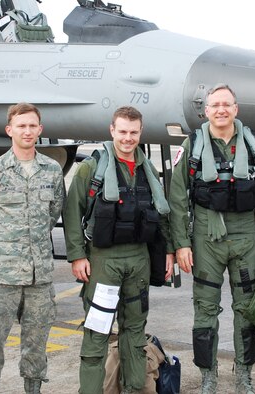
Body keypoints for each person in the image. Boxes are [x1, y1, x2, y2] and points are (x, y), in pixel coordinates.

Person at [169, 83, 255, 393]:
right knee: (205, 309)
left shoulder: (253, 143)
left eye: (227, 104)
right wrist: (181, 243)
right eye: (215, 105)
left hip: (248, 234)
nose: (221, 110)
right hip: (207, 237)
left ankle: (244, 373)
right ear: (205, 111)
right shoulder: (192, 143)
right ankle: (209, 374)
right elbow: (178, 196)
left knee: (247, 308)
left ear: (236, 109)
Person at [63, 106, 174, 394]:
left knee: (135, 335)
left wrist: (169, 252)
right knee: (97, 334)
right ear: (112, 130)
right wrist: (77, 255)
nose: (128, 138)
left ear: (140, 132)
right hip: (103, 262)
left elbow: (161, 215)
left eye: (133, 132)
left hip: (138, 260)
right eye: (122, 131)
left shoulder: (147, 170)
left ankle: (135, 389)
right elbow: (73, 211)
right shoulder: (92, 168)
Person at [0, 103, 64, 394]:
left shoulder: (51, 171)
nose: (27, 131)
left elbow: (52, 214)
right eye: (21, 126)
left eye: (32, 125)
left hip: (39, 278)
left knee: (36, 349)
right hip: (1, 278)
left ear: (40, 130)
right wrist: (2, 249)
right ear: (10, 130)